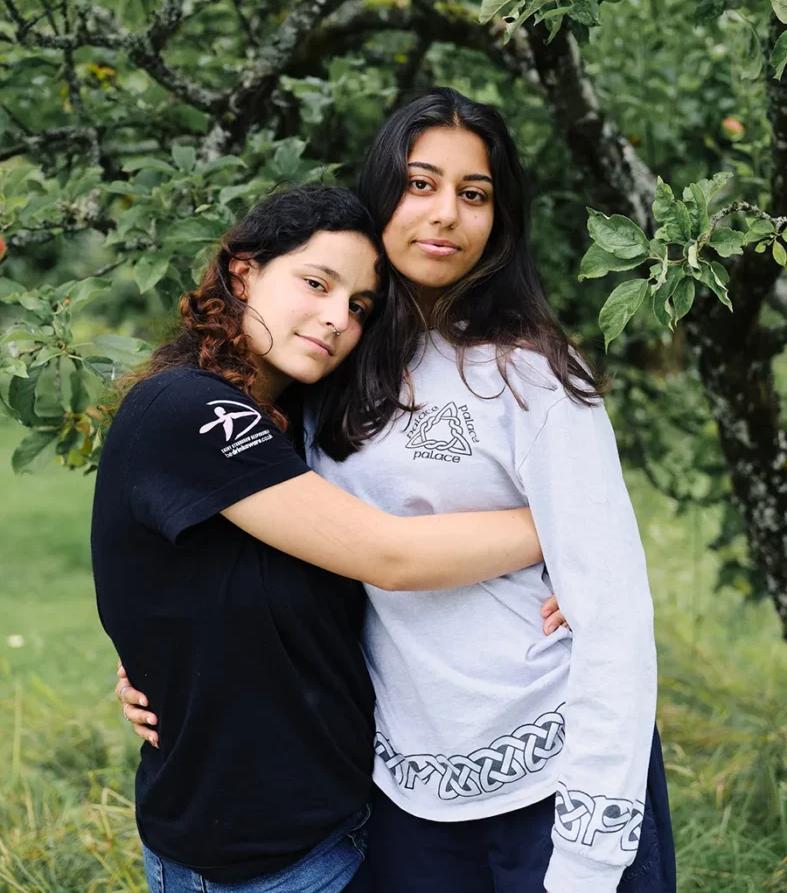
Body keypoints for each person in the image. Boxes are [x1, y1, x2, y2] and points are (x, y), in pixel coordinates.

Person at [118, 88, 676, 893]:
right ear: (381, 195)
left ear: (499, 219)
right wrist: (159, 666)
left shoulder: (533, 375)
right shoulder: (329, 368)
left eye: (473, 193)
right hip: (398, 784)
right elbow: (250, 549)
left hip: (551, 765)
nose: (444, 212)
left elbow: (613, 609)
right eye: (419, 184)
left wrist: (590, 848)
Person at [92, 183, 551, 893]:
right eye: (316, 282)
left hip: (336, 825)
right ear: (242, 272)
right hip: (259, 860)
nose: (337, 318)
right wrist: (564, 527)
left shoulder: (302, 429)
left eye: (360, 306)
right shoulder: (186, 406)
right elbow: (388, 555)